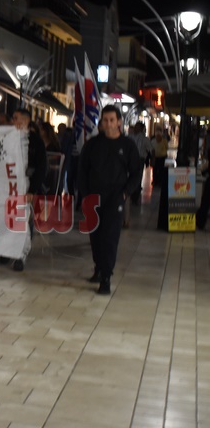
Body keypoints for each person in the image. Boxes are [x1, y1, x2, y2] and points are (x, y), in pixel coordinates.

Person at [78, 105, 141, 295]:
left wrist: (126, 193)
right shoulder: (92, 144)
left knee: (110, 238)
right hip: (93, 198)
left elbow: (136, 173)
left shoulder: (127, 145)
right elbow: (82, 171)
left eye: (112, 120)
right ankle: (99, 268)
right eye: (105, 120)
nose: (108, 124)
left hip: (115, 198)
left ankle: (106, 277)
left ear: (119, 122)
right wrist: (85, 195)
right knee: (95, 236)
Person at [6, 108, 47, 271]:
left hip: (26, 186)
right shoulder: (7, 137)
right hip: (8, 185)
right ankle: (6, 250)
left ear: (25, 121)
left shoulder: (35, 142)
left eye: (16, 118)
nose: (13, 121)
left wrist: (32, 190)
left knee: (23, 219)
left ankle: (21, 254)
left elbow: (41, 167)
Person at [129, 121, 153, 205]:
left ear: (141, 128)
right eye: (135, 126)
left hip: (139, 160)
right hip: (130, 159)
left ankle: (135, 197)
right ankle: (132, 195)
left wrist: (152, 160)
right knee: (132, 177)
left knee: (137, 178)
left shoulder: (144, 139)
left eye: (137, 126)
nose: (135, 128)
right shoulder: (130, 137)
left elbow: (151, 150)